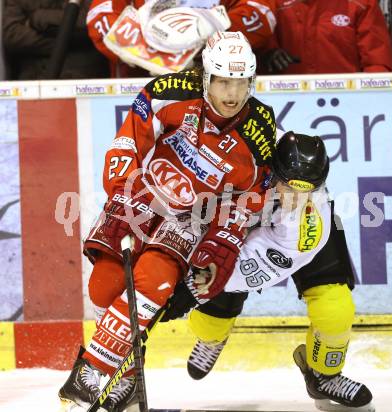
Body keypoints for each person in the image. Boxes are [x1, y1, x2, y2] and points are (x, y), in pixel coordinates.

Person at [58, 30, 277, 412]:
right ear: (207, 76)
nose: (232, 94)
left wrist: (218, 246)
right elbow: (130, 141)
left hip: (191, 218)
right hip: (140, 196)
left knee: (151, 282)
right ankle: (125, 379)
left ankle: (91, 374)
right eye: (224, 81)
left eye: (241, 83)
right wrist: (121, 185)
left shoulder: (259, 130)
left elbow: (245, 201)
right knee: (103, 287)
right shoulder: (170, 90)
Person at [162, 132, 374, 412]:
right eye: (291, 187)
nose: (297, 197)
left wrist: (196, 284)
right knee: (211, 318)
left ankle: (324, 375)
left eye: (307, 189)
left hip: (290, 239)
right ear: (274, 169)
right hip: (233, 217)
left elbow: (242, 272)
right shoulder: (249, 155)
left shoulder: (308, 221)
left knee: (335, 308)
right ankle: (211, 338)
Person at [86, 0, 277, 77]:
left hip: (215, 84)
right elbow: (101, 13)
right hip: (138, 85)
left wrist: (214, 36)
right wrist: (144, 49)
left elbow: (261, 12)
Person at [259, 0, 392, 75]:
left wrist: (372, 99)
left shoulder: (361, 4)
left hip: (350, 103)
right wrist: (266, 56)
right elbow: (254, 56)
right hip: (286, 104)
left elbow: (378, 65)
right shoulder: (272, 5)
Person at [2, 0, 109, 79]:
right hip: (33, 79)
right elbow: (12, 35)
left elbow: (94, 23)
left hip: (85, 80)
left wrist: (39, 18)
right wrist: (66, 42)